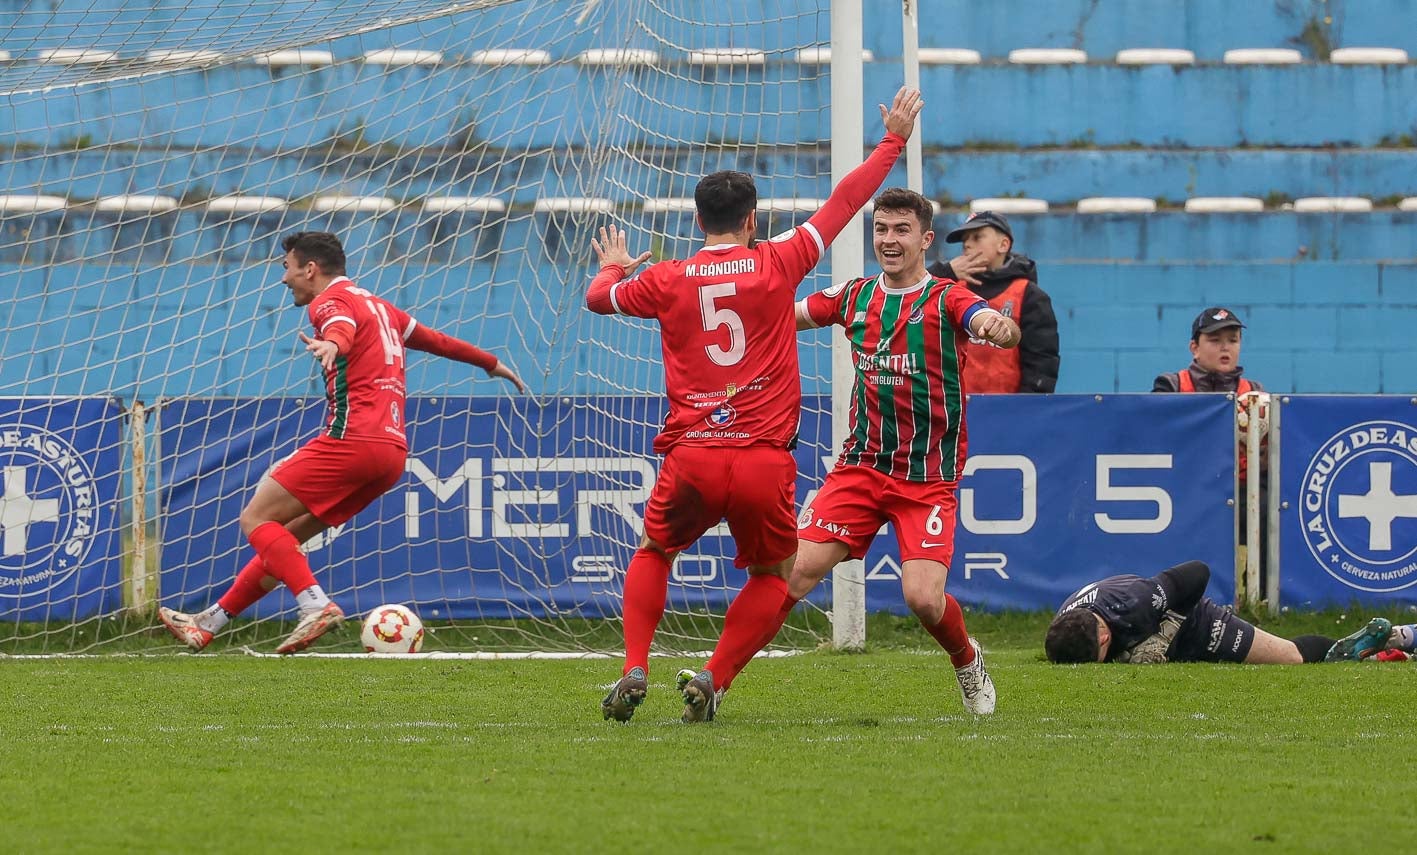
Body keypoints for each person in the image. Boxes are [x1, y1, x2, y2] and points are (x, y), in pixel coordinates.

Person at [585, 87, 925, 723]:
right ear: (751, 220)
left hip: (692, 454)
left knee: (655, 552)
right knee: (774, 574)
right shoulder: (779, 260)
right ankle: (714, 676)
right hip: (764, 459)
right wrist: (893, 140)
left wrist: (613, 266)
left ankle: (636, 663)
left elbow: (596, 299)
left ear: (696, 222)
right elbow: (846, 201)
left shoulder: (665, 279)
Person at [701, 187, 1021, 719]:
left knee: (922, 598)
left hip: (926, 477)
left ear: (925, 239)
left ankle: (967, 661)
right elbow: (784, 312)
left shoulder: (948, 298)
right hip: (861, 468)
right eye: (881, 230)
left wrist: (998, 327)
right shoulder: (854, 297)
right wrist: (719, 300)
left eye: (900, 231)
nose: (889, 241)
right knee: (791, 576)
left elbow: (994, 324)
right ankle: (714, 685)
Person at [158, 231, 526, 654]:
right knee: (285, 542)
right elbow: (435, 340)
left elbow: (339, 327)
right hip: (390, 454)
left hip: (351, 440)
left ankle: (315, 605)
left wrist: (333, 343)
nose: (284, 279)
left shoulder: (329, 303)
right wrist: (491, 363)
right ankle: (210, 622)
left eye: (287, 268)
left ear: (310, 269)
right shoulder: (381, 307)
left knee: (256, 520)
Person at [1043, 559, 1406, 664]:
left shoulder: (1137, 600)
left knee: (1290, 658)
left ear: (1104, 635)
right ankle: (1382, 652)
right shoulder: (1065, 629)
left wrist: (1162, 636)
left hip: (1197, 624)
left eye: (1100, 657)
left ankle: (1396, 638)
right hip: (1155, 632)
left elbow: (1197, 572)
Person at [1152, 307, 1270, 593]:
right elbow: (1157, 442)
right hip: (1184, 490)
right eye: (1215, 340)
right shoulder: (1171, 386)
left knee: (1273, 508)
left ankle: (1263, 594)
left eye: (1233, 339)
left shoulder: (1255, 393)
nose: (1225, 347)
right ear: (1194, 347)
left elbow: (1270, 457)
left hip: (1241, 490)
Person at [926, 210, 1058, 393]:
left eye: (977, 237)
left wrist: (1027, 409)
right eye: (964, 240)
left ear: (1003, 245)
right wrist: (944, 271)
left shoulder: (1029, 295)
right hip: (951, 408)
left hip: (1006, 410)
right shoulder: (949, 287)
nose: (967, 245)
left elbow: (1041, 364)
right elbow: (909, 297)